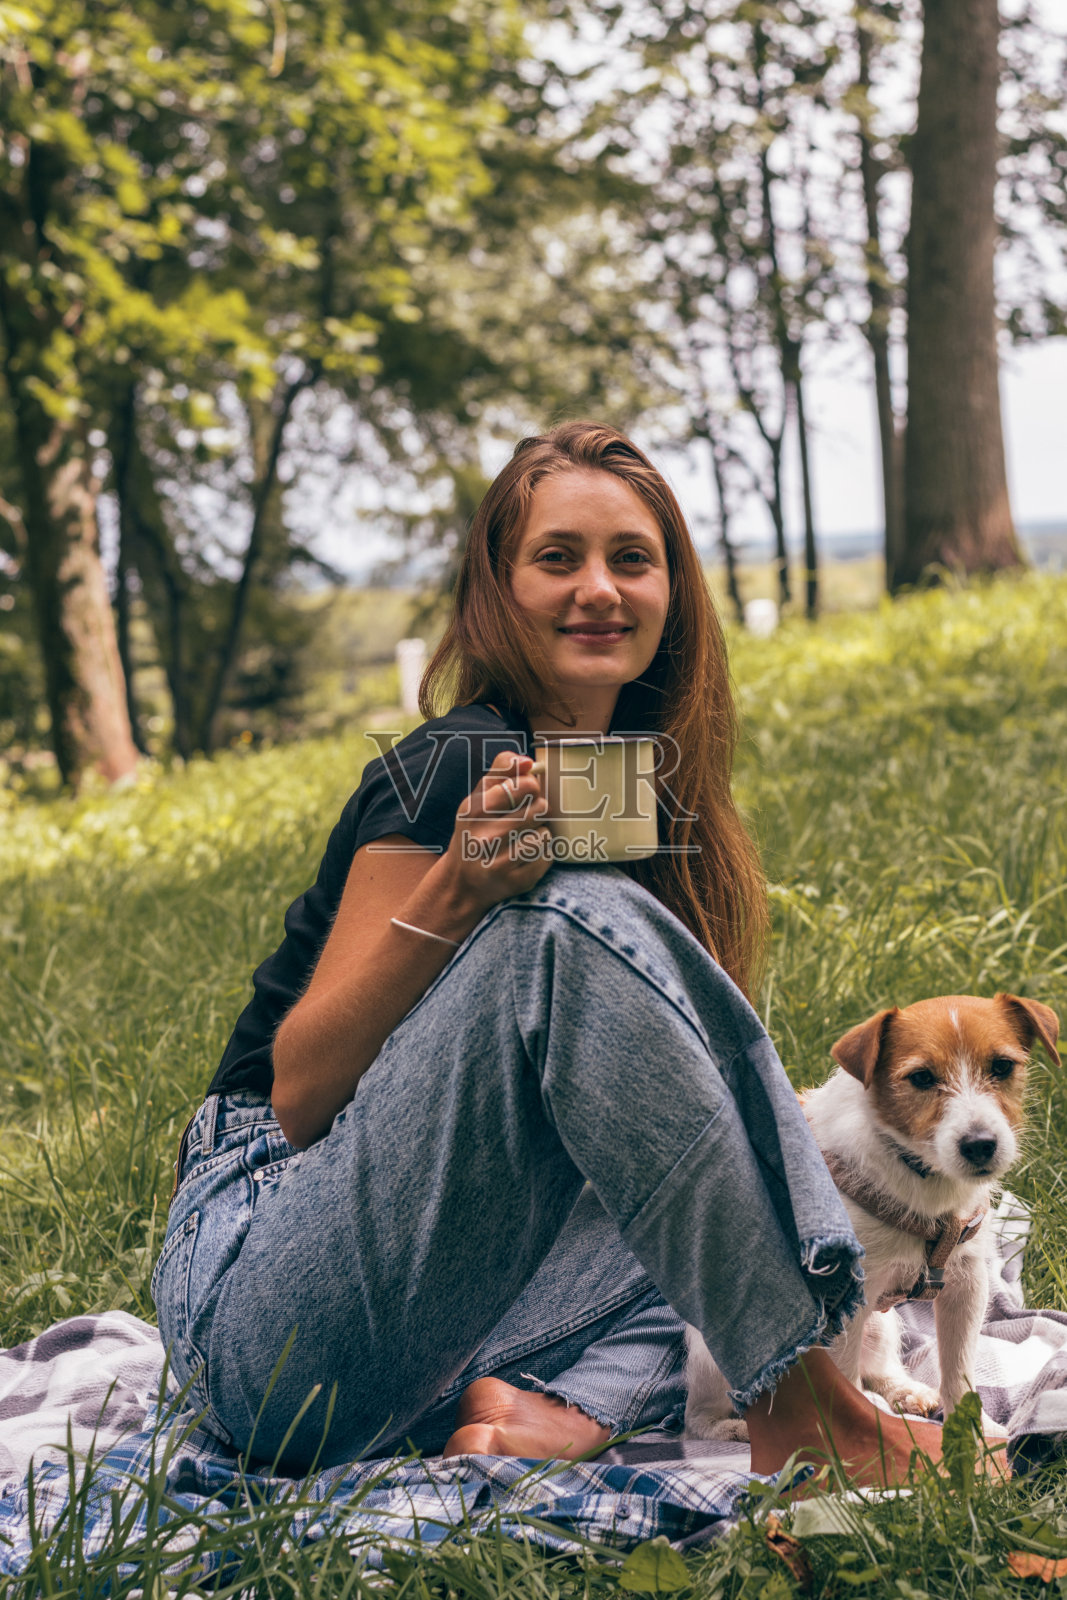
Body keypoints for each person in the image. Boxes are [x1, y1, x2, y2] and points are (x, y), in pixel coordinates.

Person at [153, 421, 947, 1483]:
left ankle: (564, 1406)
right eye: (556, 558)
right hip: (266, 1310)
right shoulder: (458, 763)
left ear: (673, 594)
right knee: (560, 925)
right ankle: (803, 1402)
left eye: (631, 558)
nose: (598, 589)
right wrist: (458, 888)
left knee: (704, 1151)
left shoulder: (642, 797)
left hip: (439, 1322)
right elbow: (298, 1093)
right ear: (499, 585)